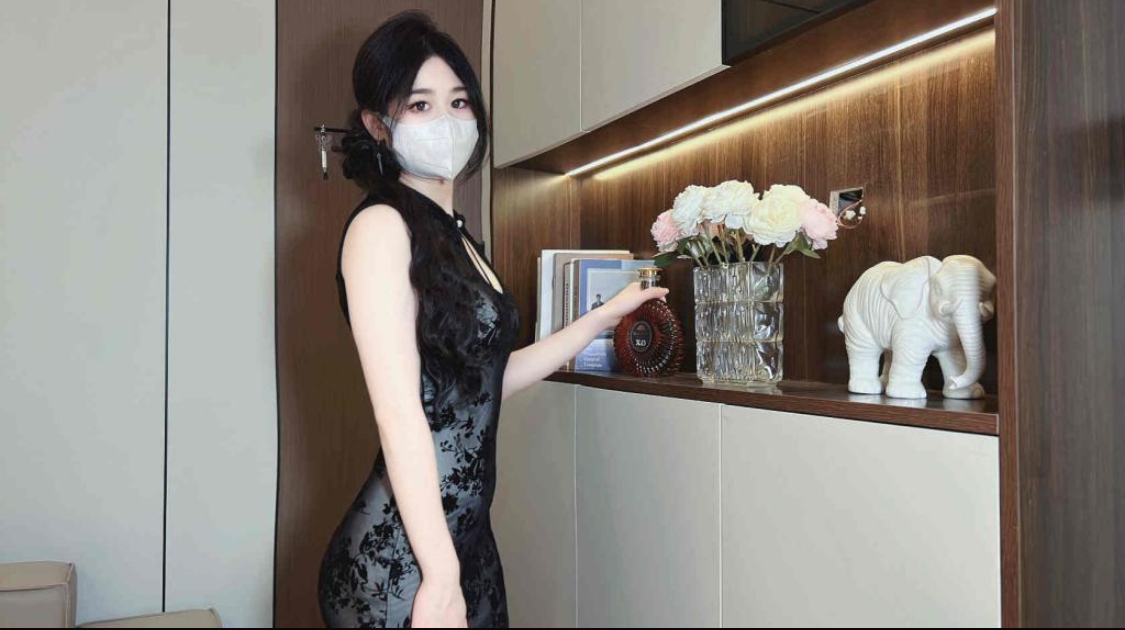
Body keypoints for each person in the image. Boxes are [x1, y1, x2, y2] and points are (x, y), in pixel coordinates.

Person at [316, 10, 669, 629]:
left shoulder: (456, 235)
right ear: (376, 125)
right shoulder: (381, 227)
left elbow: (483, 383)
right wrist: (440, 579)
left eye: (458, 102)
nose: (447, 121)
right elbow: (399, 413)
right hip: (401, 564)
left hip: (465, 545)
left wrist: (602, 318)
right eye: (420, 105)